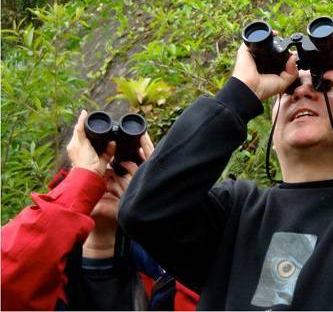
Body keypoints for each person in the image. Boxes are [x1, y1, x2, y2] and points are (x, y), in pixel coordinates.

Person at [118, 35, 333, 310]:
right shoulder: (233, 215)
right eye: (288, 90)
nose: (303, 91)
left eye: (324, 86)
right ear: (272, 126)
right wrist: (238, 94)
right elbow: (145, 210)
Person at [1, 111, 199, 310]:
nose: (106, 175)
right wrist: (82, 184)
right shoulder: (42, 273)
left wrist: (161, 210)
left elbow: (207, 294)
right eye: (95, 166)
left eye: (121, 169)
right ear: (68, 179)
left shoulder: (165, 268)